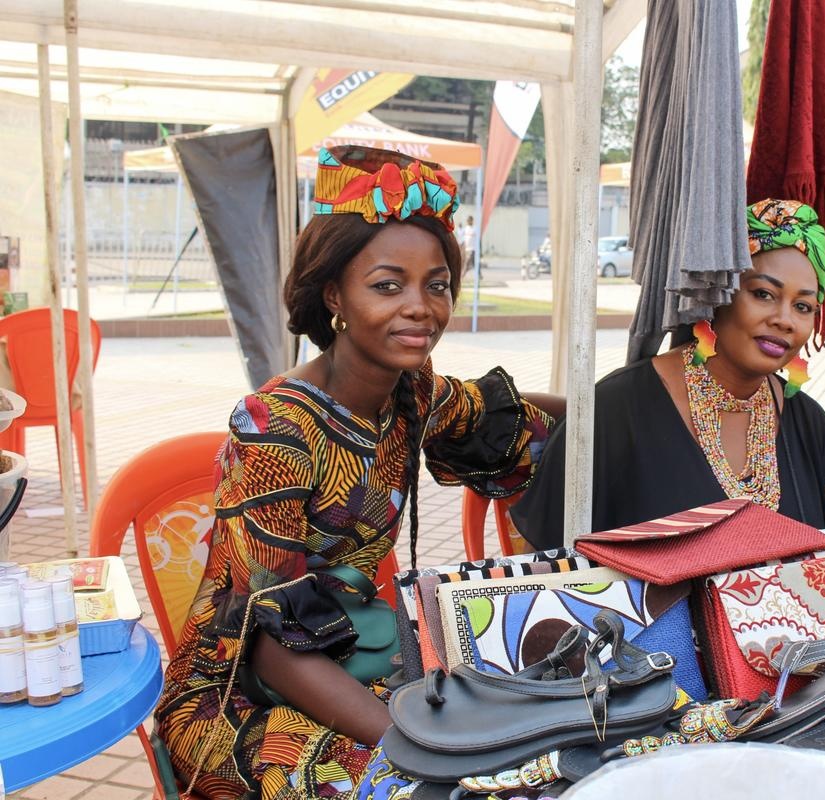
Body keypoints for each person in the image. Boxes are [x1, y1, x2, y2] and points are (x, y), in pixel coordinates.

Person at [155, 146, 556, 800]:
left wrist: (614, 406)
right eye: (388, 285)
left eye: (437, 285)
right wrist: (421, 743)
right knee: (410, 785)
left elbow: (501, 415)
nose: (421, 307)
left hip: (352, 658)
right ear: (334, 294)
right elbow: (269, 646)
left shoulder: (410, 393)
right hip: (236, 697)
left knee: (531, 731)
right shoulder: (277, 429)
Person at [512, 200, 825, 545]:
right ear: (719, 292)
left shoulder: (808, 424)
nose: (785, 320)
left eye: (802, 306)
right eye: (763, 294)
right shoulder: (615, 412)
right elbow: (545, 560)